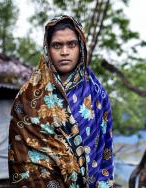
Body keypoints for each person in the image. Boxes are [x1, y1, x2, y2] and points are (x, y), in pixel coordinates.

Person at [8, 15, 114, 188]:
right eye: (57, 45)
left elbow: (106, 150)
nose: (64, 52)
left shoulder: (96, 93)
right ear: (47, 49)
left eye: (71, 44)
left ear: (81, 47)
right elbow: (21, 158)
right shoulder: (28, 95)